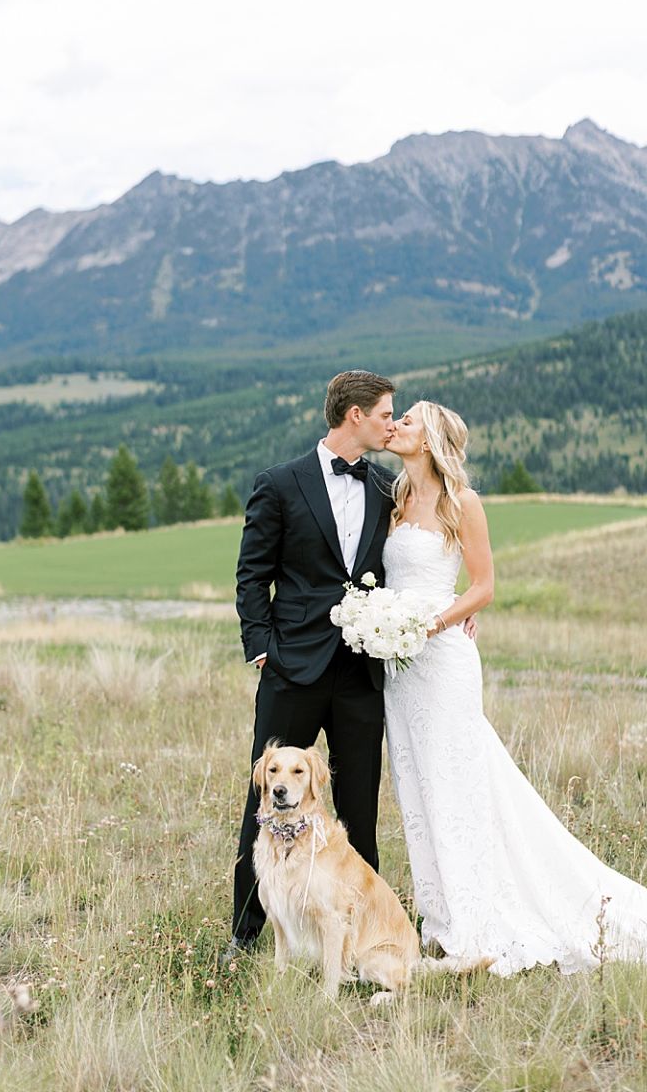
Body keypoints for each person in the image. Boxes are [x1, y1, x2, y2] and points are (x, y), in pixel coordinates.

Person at [382, 400, 647, 974]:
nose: (397, 425)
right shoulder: (395, 499)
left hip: (443, 659)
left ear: (429, 439)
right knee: (418, 785)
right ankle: (444, 918)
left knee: (459, 784)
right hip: (400, 669)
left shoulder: (464, 503)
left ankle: (479, 921)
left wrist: (435, 621)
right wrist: (386, 621)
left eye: (407, 420)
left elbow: (483, 587)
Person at [228, 370, 397, 954]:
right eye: (384, 414)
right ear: (354, 414)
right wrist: (260, 647)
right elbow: (252, 574)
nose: (390, 424)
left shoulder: (385, 489)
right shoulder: (279, 483)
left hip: (359, 674)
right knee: (264, 807)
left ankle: (359, 937)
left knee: (358, 809)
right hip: (291, 670)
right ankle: (245, 936)